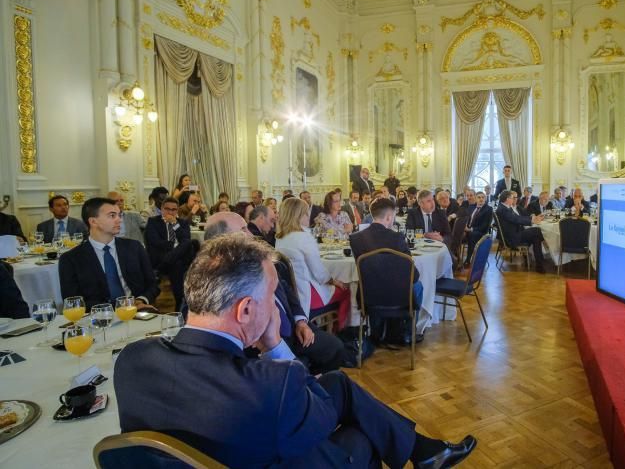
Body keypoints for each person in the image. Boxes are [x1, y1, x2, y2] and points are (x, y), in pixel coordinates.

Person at [114, 233, 476, 467]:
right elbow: (313, 408)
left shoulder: (132, 361)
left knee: (338, 382)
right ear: (245, 310)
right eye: (272, 296)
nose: (278, 304)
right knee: (363, 435)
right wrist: (273, 344)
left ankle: (423, 451)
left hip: (232, 445)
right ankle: (414, 450)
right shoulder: (272, 383)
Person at [203, 212, 346, 374]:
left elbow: (286, 289)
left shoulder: (258, 260)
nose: (250, 235)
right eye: (243, 230)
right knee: (297, 371)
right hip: (263, 343)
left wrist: (300, 321)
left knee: (335, 348)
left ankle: (315, 386)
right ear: (223, 240)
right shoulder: (212, 280)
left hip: (292, 327)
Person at [58, 198, 159, 309]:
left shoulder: (134, 247)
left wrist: (140, 300)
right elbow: (73, 301)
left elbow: (152, 284)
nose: (119, 220)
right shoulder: (71, 259)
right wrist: (116, 307)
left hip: (136, 312)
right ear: (93, 221)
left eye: (119, 215)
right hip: (97, 318)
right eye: (112, 216)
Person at [349, 198, 423, 345]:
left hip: (368, 296)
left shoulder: (355, 238)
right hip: (398, 298)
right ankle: (407, 332)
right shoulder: (397, 238)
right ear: (389, 217)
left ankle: (378, 331)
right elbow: (413, 275)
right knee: (418, 285)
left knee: (376, 283)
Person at [275, 198, 351, 325]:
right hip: (309, 295)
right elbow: (319, 273)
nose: (308, 216)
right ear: (299, 216)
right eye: (306, 213)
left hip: (291, 294)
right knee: (347, 290)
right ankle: (343, 333)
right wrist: (334, 281)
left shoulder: (280, 237)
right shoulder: (303, 236)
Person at [144, 197, 196, 310]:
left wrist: (174, 224)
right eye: (167, 209)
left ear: (177, 210)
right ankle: (179, 304)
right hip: (160, 256)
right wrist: (174, 246)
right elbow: (155, 242)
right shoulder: (153, 222)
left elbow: (185, 239)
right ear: (162, 209)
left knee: (188, 245)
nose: (170, 212)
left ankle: (179, 302)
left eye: (173, 209)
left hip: (174, 259)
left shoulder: (182, 223)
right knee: (179, 260)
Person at [496, 190, 547, 273]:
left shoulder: (505, 207)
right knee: (537, 231)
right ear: (507, 199)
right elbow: (516, 219)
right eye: (512, 198)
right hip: (511, 238)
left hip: (514, 234)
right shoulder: (503, 209)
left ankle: (539, 264)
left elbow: (518, 217)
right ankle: (540, 261)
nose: (514, 200)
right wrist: (532, 221)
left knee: (536, 237)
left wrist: (533, 219)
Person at [464, 192, 493, 266]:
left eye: (483, 197)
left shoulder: (488, 209)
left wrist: (470, 229)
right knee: (455, 234)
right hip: (467, 230)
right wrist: (464, 226)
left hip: (480, 232)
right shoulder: (471, 207)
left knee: (472, 235)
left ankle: (468, 259)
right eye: (479, 197)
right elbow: (466, 218)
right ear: (476, 199)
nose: (481, 199)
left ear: (485, 199)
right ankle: (455, 259)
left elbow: (485, 226)